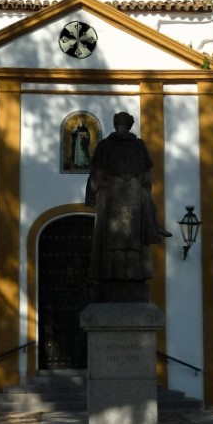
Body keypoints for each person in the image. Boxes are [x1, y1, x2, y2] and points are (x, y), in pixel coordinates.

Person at [84, 112, 171, 302]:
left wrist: (94, 190)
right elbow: (147, 180)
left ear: (116, 124)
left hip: (110, 201)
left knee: (110, 242)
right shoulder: (139, 147)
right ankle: (134, 278)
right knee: (133, 242)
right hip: (133, 201)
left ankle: (109, 278)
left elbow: (96, 176)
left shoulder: (105, 147)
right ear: (130, 126)